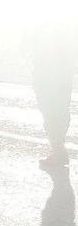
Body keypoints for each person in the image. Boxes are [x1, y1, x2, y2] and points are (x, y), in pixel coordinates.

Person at [33, 21, 77, 168]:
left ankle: (58, 152)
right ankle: (59, 150)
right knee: (58, 112)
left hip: (52, 78)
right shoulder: (65, 30)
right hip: (61, 77)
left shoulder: (51, 30)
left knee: (52, 113)